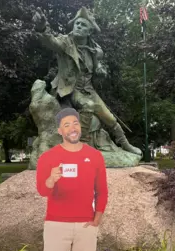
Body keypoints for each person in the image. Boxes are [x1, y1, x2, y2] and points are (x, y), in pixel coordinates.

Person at [33, 7, 142, 156]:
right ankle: (80, 144)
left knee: (109, 118)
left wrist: (100, 71)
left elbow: (97, 73)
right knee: (88, 106)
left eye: (83, 25)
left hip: (89, 90)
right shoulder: (66, 42)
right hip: (70, 89)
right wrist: (42, 27)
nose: (78, 26)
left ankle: (126, 145)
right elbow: (50, 41)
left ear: (89, 31)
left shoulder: (95, 50)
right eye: (77, 23)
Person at [36, 107, 108, 251]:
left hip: (85, 226)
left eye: (75, 123)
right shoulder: (47, 158)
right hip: (56, 225)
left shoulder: (95, 156)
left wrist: (97, 218)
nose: (72, 128)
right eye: (66, 125)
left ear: (80, 127)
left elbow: (102, 190)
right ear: (60, 131)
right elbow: (42, 191)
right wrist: (51, 180)